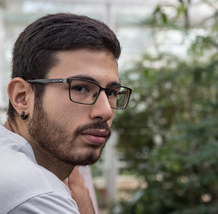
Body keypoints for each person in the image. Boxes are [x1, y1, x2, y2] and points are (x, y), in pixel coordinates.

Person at [0, 13, 132, 213]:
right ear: (22, 97)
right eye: (80, 88)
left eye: (111, 92)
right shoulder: (37, 195)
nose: (105, 111)